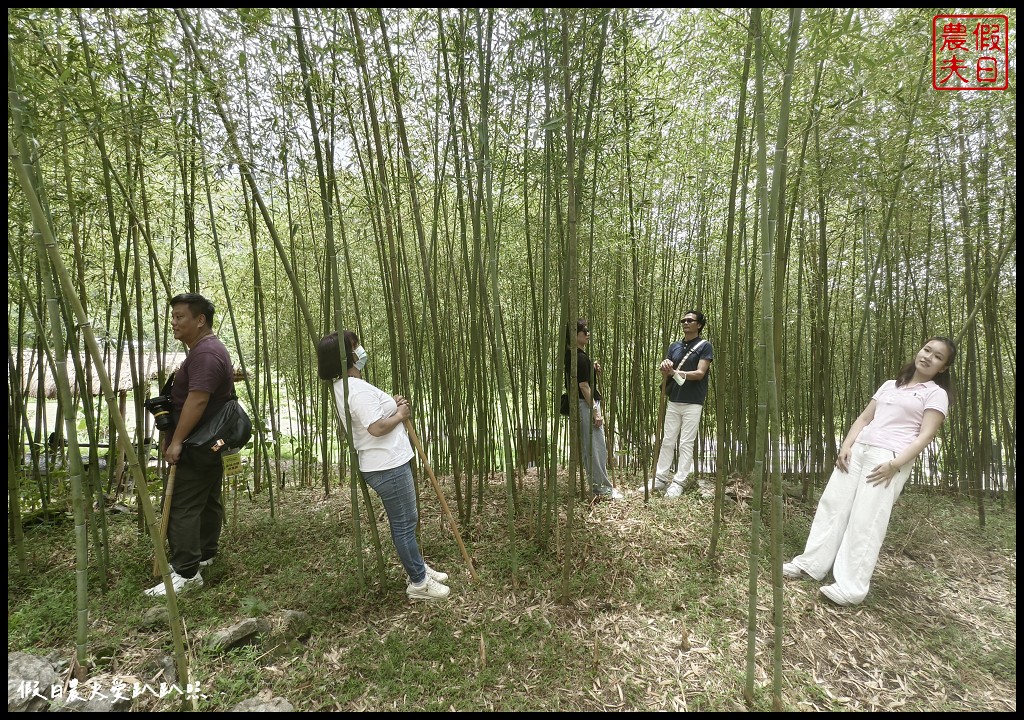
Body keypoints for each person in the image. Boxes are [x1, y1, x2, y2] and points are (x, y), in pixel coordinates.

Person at [784, 336, 957, 607]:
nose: (928, 356)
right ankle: (810, 564)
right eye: (926, 349)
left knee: (866, 520)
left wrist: (895, 464)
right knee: (832, 506)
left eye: (937, 356)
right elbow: (865, 418)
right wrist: (846, 445)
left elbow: (925, 436)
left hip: (887, 458)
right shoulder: (890, 385)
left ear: (943, 367)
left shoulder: (936, 393)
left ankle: (851, 587)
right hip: (859, 450)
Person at [316, 330, 450, 602]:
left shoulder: (343, 387)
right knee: (404, 524)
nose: (360, 351)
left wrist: (394, 408)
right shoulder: (355, 389)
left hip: (382, 462)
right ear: (347, 356)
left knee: (406, 522)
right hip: (387, 464)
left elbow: (373, 418)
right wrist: (400, 414)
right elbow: (375, 427)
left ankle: (419, 567)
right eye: (356, 347)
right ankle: (419, 583)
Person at [145, 293, 235, 597]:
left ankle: (187, 572)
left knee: (183, 505)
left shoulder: (206, 353)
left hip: (197, 443)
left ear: (200, 320)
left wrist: (177, 441)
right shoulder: (204, 349)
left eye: (179, 316)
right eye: (173, 316)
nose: (174, 322)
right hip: (208, 441)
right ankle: (206, 554)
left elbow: (198, 400)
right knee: (207, 498)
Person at [646, 310, 714, 499]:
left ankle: (678, 482)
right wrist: (666, 367)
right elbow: (669, 370)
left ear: (699, 325)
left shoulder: (704, 346)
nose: (685, 322)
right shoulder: (675, 346)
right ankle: (660, 478)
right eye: (683, 320)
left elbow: (700, 373)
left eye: (690, 320)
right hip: (674, 399)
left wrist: (676, 371)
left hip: (693, 401)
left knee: (685, 442)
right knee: (667, 439)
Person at [565, 318, 622, 501]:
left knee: (594, 449)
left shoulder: (576, 356)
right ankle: (601, 490)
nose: (588, 334)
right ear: (574, 335)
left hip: (584, 405)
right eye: (585, 331)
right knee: (596, 449)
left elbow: (583, 379)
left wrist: (592, 369)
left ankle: (599, 487)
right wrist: (595, 412)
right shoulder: (579, 358)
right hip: (586, 405)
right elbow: (583, 386)